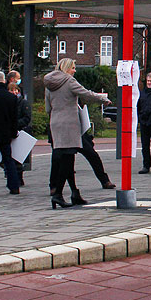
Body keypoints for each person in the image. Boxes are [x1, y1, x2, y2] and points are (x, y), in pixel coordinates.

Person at [44, 57, 110, 209]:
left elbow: (48, 108)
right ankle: (58, 195)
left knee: (65, 158)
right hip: (70, 124)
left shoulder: (49, 84)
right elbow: (86, 94)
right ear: (66, 68)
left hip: (55, 123)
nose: (74, 70)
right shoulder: (69, 81)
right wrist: (103, 99)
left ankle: (74, 192)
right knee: (67, 160)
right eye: (73, 67)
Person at [8, 81, 32, 186]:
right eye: (11, 90)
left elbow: (26, 117)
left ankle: (19, 177)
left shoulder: (23, 103)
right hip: (9, 131)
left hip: (20, 132)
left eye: (16, 90)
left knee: (18, 156)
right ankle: (12, 177)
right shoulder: (7, 103)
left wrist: (16, 124)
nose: (14, 92)